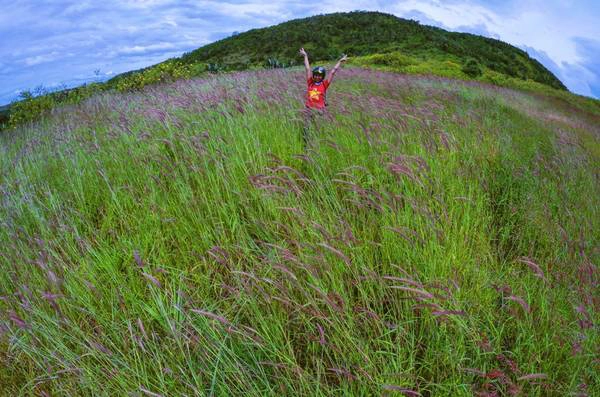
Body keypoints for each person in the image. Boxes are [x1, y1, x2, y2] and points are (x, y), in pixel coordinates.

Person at [299, 48, 347, 146]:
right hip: (309, 109)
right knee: (306, 129)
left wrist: (340, 61)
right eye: (316, 75)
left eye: (320, 76)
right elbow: (307, 68)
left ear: (322, 76)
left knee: (317, 129)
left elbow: (333, 72)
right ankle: (306, 144)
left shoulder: (324, 84)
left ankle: (316, 143)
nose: (317, 77)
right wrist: (305, 56)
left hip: (319, 110)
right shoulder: (310, 83)